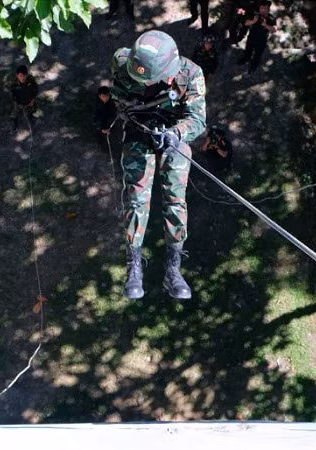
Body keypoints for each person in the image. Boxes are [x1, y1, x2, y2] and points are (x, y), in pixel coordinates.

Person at [111, 30, 207, 300]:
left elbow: (198, 119)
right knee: (135, 200)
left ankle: (173, 270)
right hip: (139, 133)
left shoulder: (190, 75)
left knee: (175, 200)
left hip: (173, 137)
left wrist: (175, 134)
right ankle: (134, 266)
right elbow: (118, 93)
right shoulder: (123, 64)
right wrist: (128, 108)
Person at [237, 1, 276, 74]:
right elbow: (245, 23)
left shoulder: (271, 18)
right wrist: (253, 21)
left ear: (268, 9)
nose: (263, 10)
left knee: (257, 55)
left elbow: (274, 29)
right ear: (259, 8)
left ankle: (253, 67)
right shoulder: (255, 15)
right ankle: (246, 59)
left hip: (262, 40)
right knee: (248, 51)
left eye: (265, 8)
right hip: (251, 38)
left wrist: (266, 25)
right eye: (262, 8)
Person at [11, 65, 39, 130]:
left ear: (26, 75)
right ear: (17, 75)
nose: (22, 78)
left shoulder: (31, 80)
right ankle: (15, 122)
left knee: (32, 109)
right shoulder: (13, 83)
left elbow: (36, 89)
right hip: (19, 101)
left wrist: (33, 99)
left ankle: (30, 116)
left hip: (29, 100)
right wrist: (18, 103)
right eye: (20, 76)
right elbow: (12, 94)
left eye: (24, 76)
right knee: (16, 112)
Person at [94, 86, 118, 152]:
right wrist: (102, 128)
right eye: (103, 96)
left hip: (111, 125)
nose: (106, 98)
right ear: (99, 96)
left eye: (107, 95)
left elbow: (114, 114)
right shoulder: (97, 106)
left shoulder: (111, 103)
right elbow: (96, 118)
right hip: (101, 127)